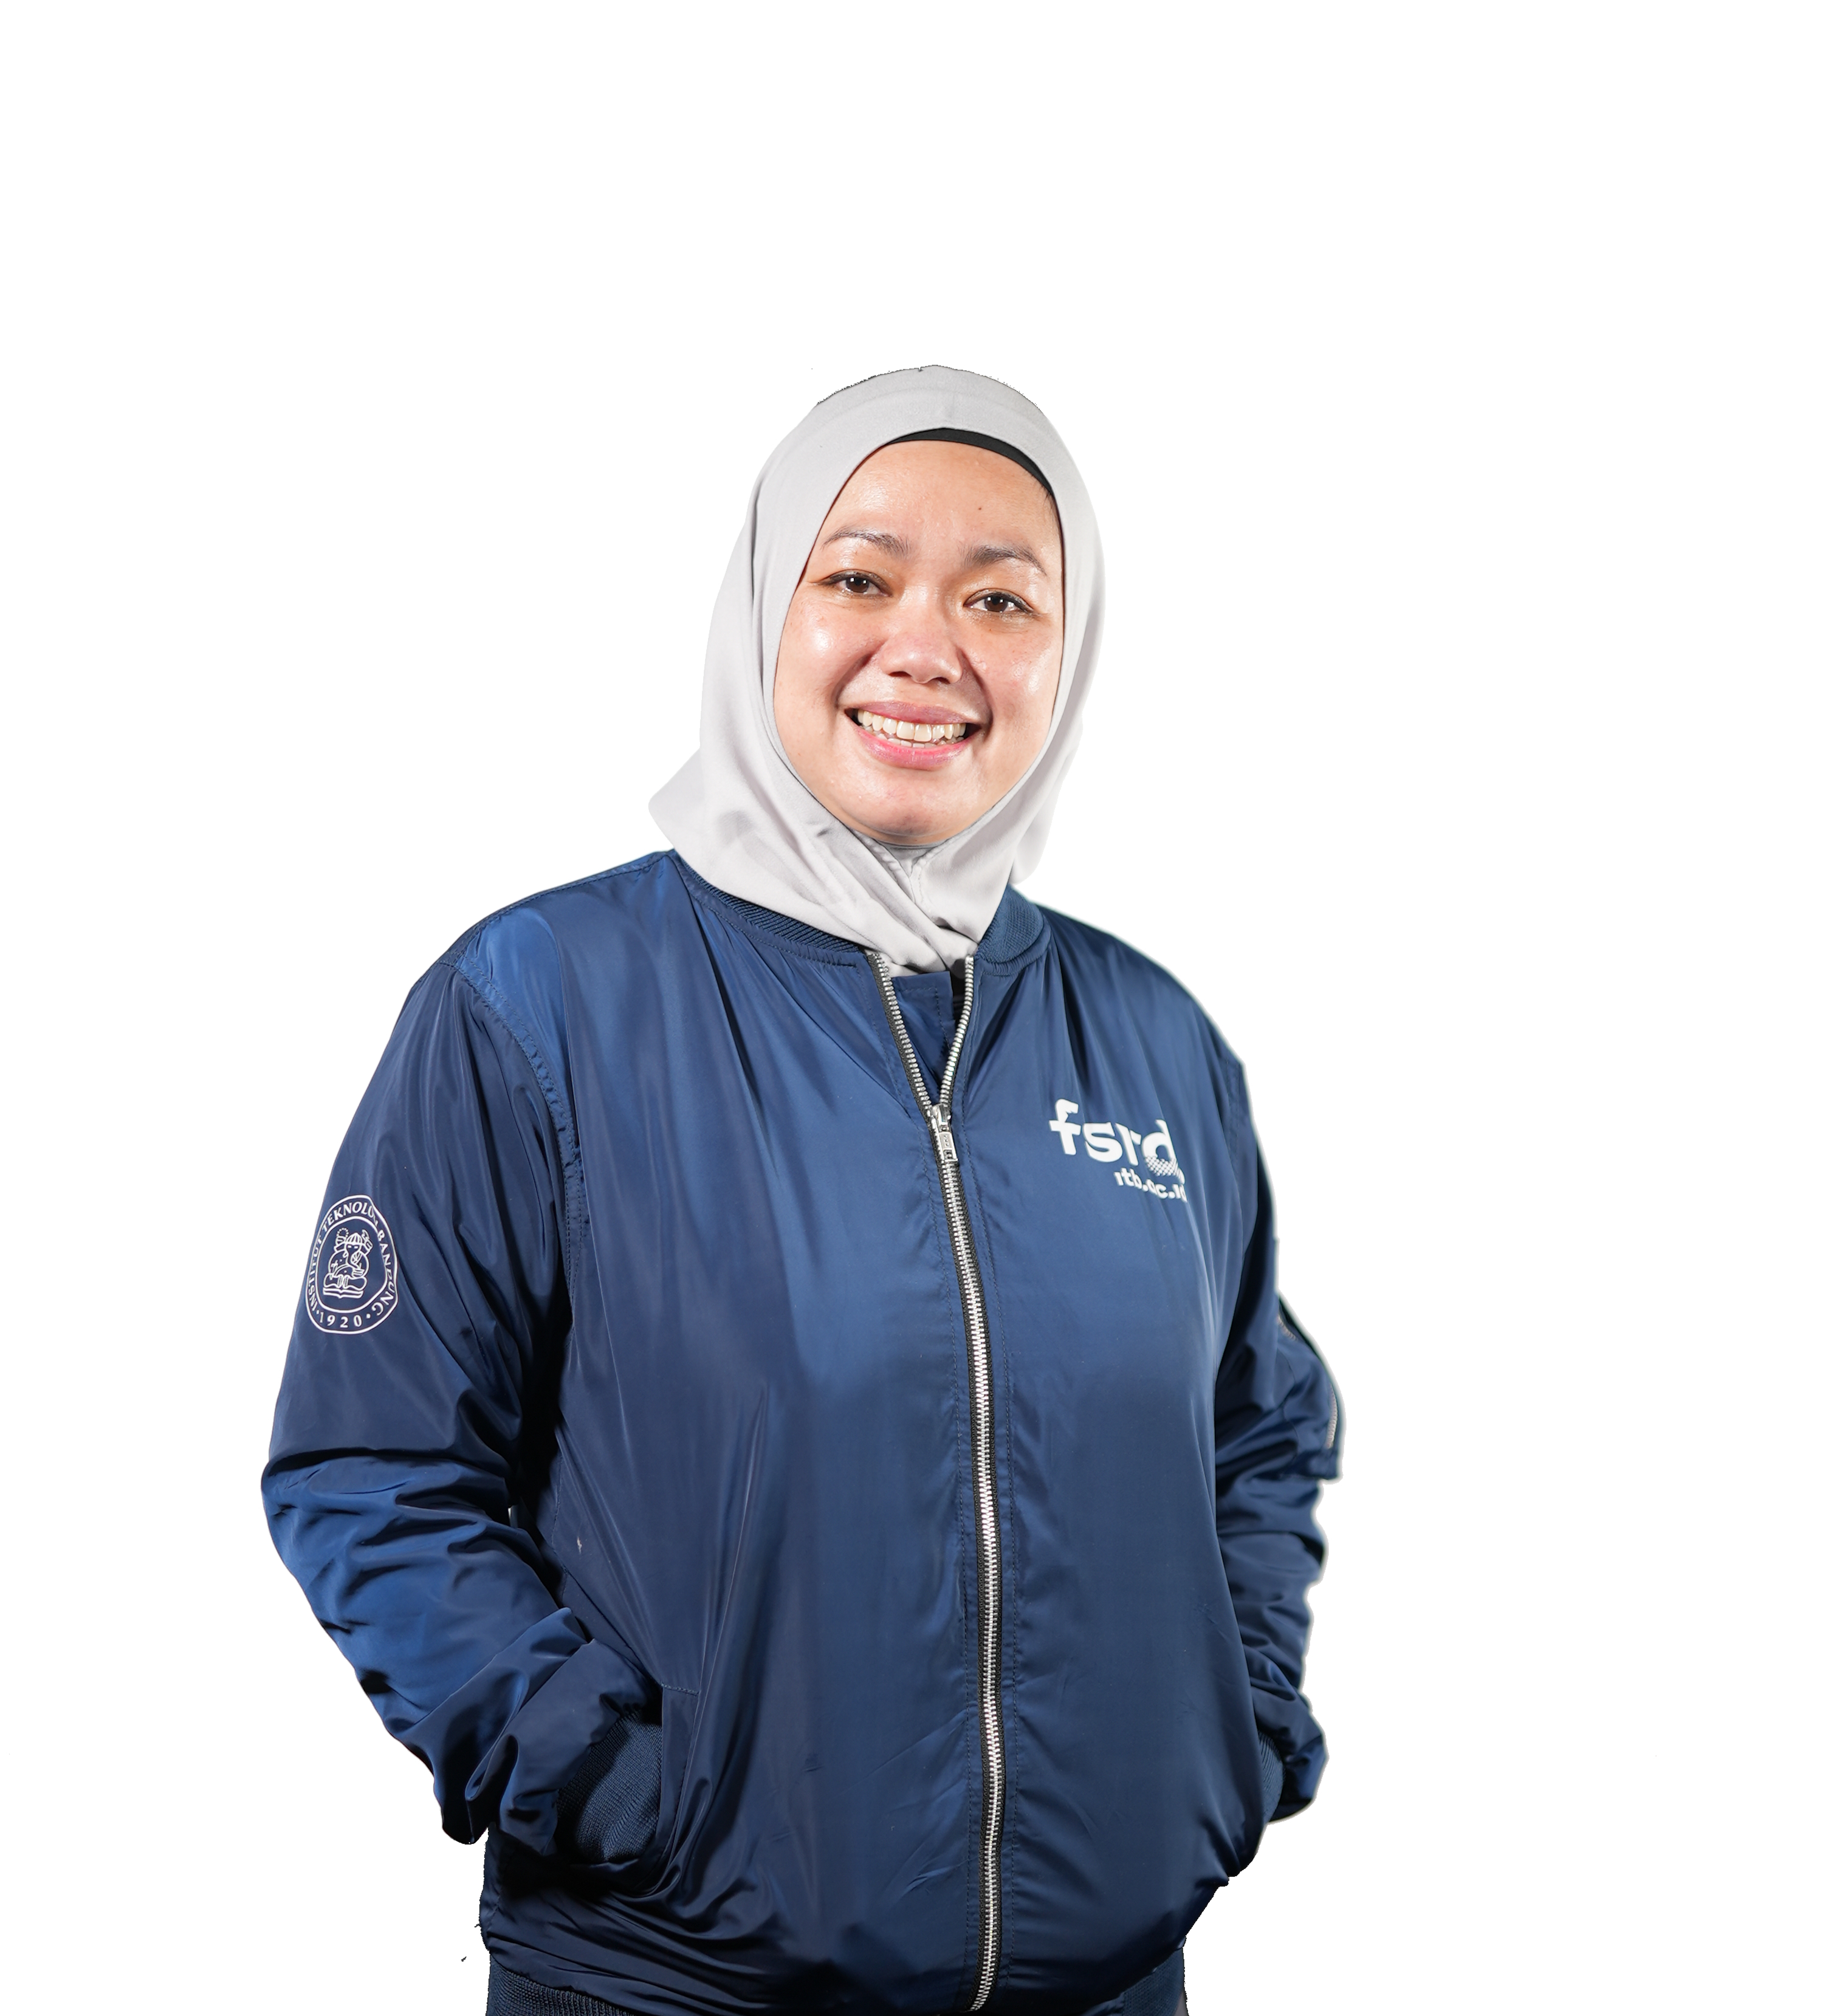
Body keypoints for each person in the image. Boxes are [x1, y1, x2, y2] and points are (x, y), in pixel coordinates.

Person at [264, 366, 1342, 2016]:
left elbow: (1257, 1432)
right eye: (859, 576)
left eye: (1000, 597)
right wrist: (609, 1785)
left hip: (1111, 1987)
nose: (926, 644)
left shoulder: (1153, 1041)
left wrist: (1235, 1726)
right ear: (764, 611)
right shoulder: (539, 1004)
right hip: (674, 1982)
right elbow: (372, 1462)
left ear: (1068, 655)